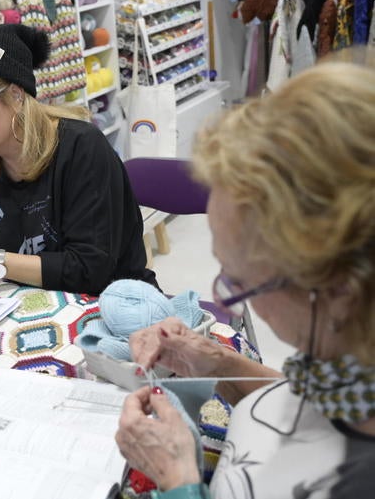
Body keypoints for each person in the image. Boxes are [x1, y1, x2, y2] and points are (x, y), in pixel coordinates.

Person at [115, 59, 375, 498]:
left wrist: (179, 481)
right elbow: (314, 405)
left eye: (240, 282)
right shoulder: (348, 361)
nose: (228, 300)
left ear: (338, 292)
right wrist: (222, 366)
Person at [0, 24, 156, 295]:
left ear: (16, 95)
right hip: (26, 310)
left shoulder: (82, 148)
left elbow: (90, 270)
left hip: (116, 305)